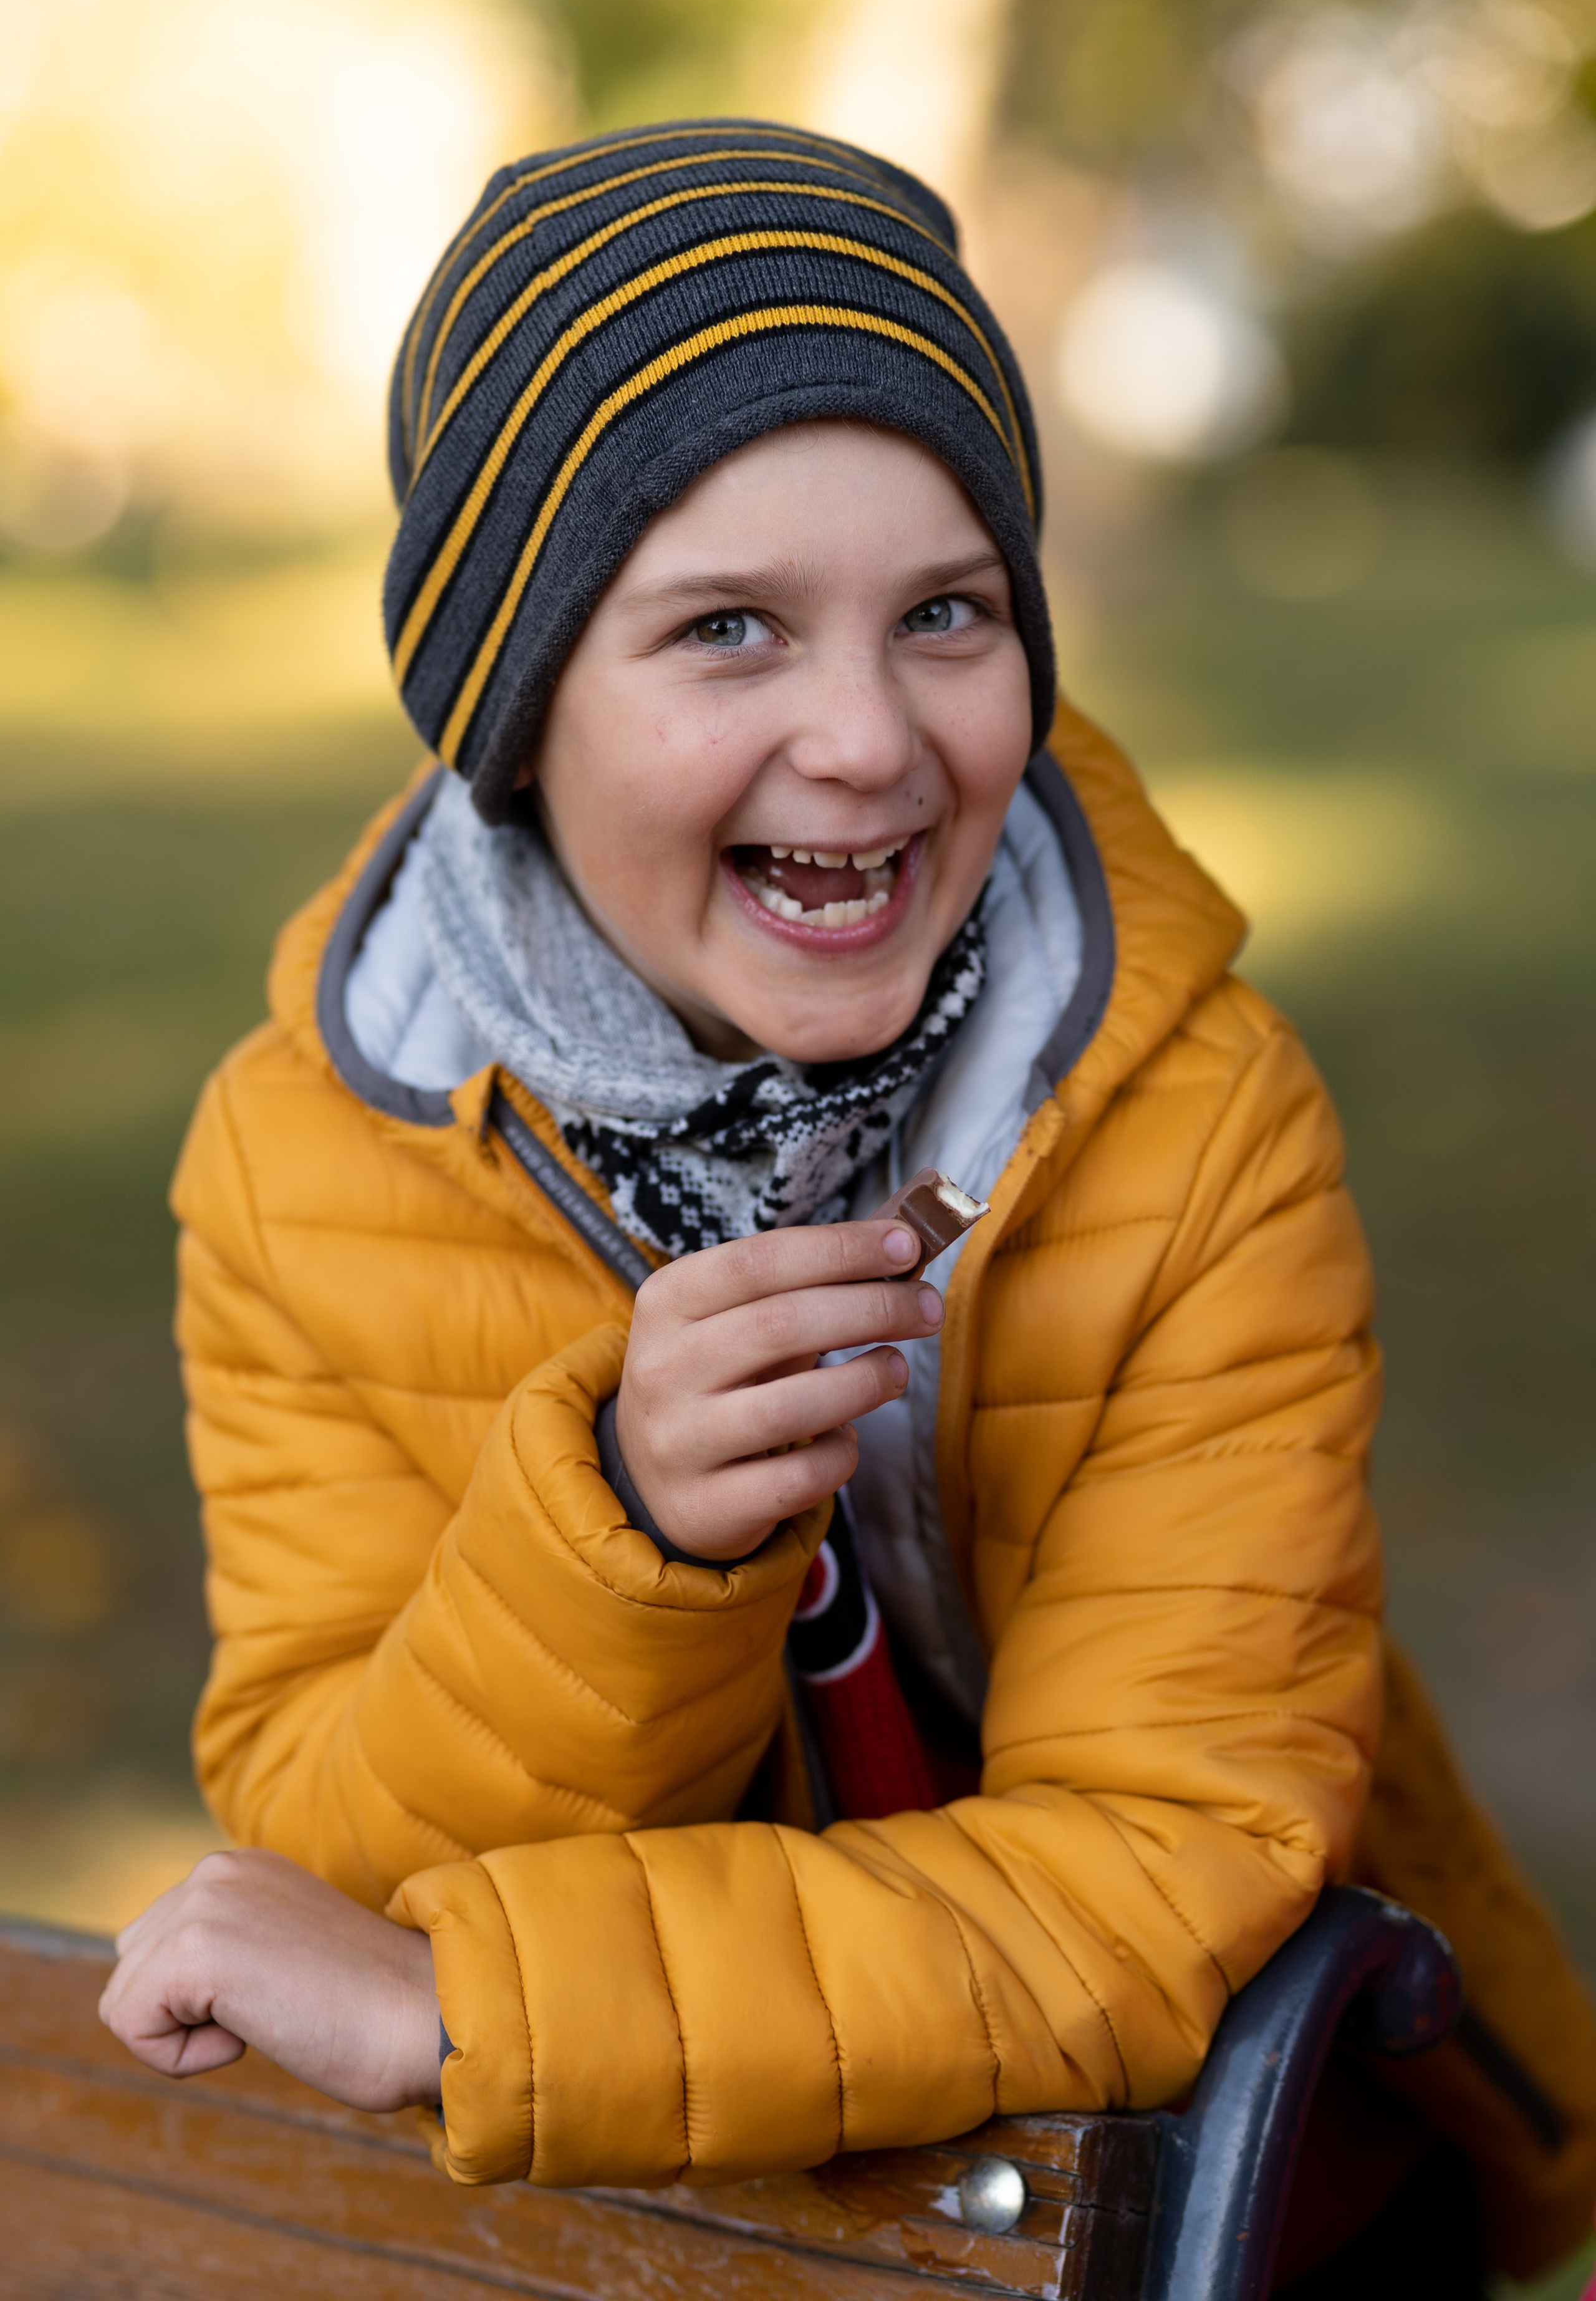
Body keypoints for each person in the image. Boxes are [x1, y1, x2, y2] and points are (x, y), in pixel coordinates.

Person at [100, 120, 1595, 2285]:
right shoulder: (317, 1153)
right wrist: (622, 1539)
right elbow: (330, 1841)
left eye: (947, 615)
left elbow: (1164, 1871)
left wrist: (478, 2009)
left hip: (1205, 2206)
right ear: (512, 708)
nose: (869, 738)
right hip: (645, 2222)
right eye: (726, 628)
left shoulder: (1185, 1120)